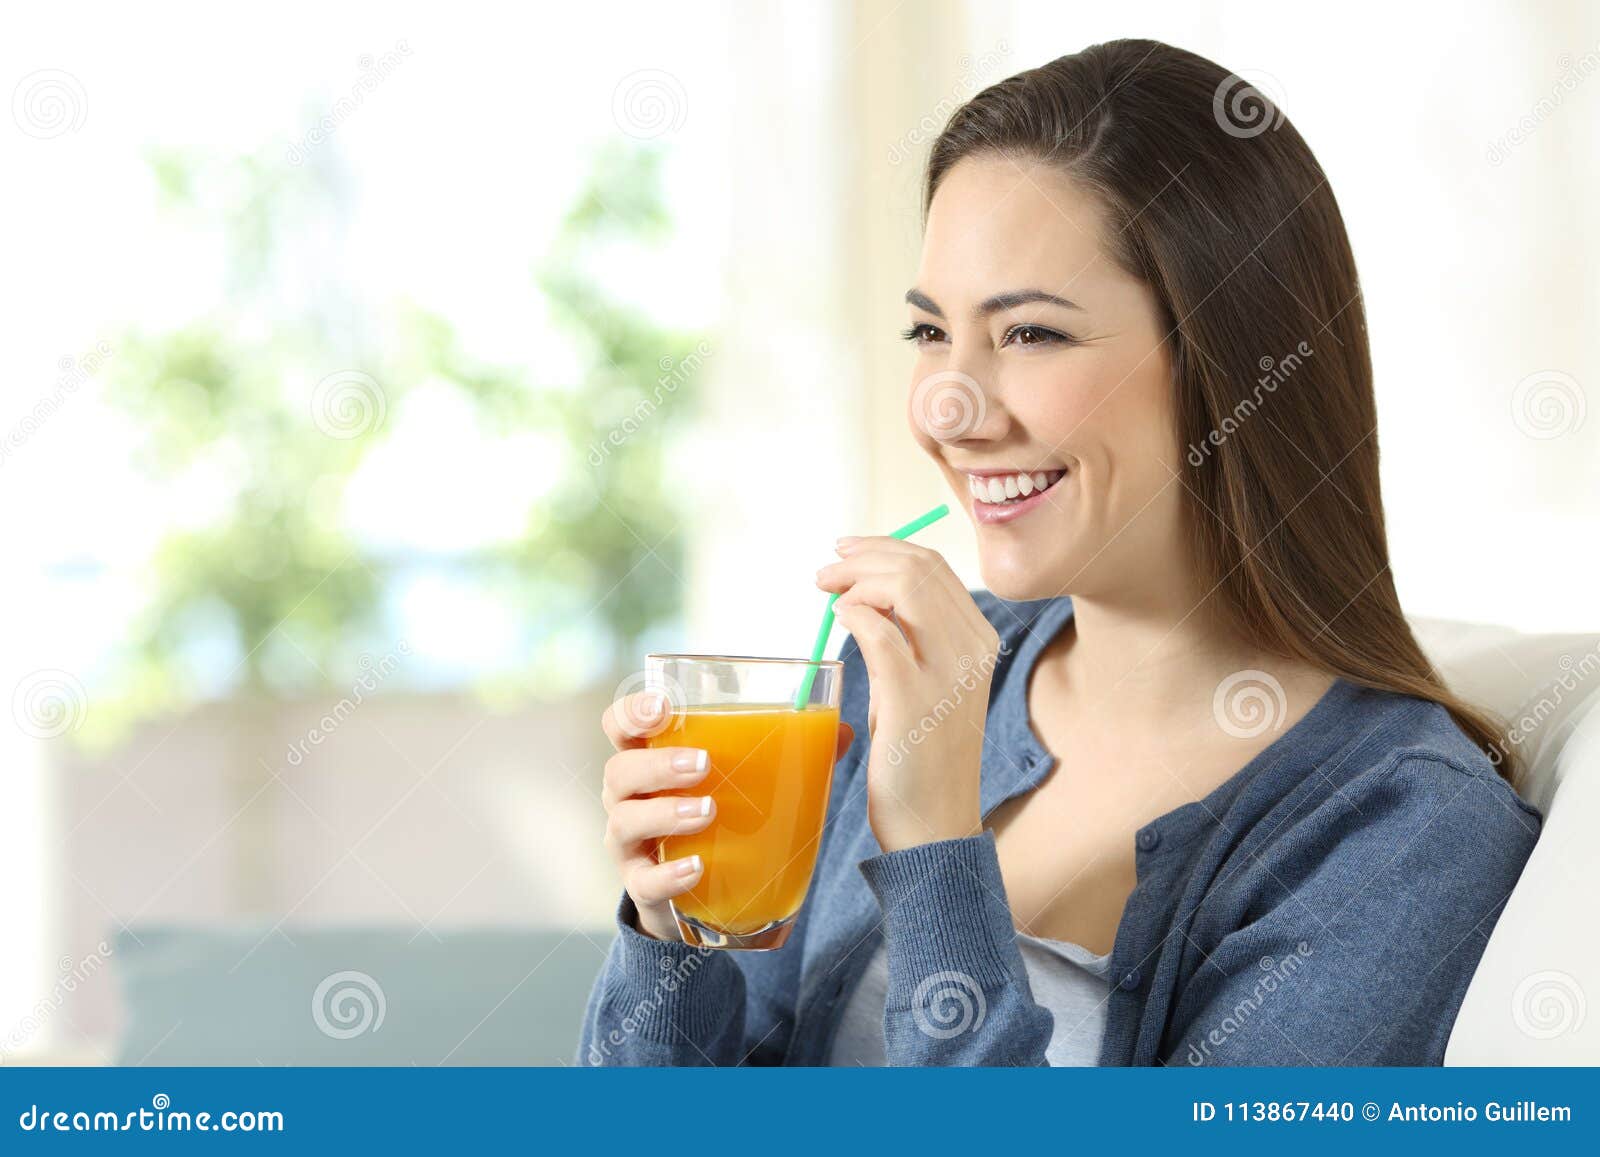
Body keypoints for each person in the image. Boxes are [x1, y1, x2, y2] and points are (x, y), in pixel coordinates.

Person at [578, 38, 1541, 1066]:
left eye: (1029, 334)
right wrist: (676, 937)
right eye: (927, 333)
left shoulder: (1401, 834)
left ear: (1230, 360)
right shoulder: (893, 678)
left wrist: (939, 846)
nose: (947, 407)